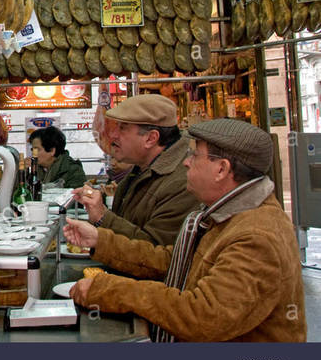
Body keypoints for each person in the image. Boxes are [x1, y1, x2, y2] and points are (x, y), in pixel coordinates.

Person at [64, 119, 306, 342]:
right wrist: (100, 240)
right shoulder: (227, 213)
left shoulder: (256, 237)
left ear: (221, 169)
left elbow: (205, 315)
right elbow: (175, 262)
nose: (186, 161)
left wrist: (110, 290)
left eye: (194, 154)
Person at [72, 95, 199, 245]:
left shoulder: (183, 183)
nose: (113, 135)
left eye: (123, 128)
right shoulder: (141, 169)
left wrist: (103, 217)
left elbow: (155, 253)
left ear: (151, 138)